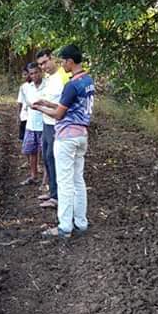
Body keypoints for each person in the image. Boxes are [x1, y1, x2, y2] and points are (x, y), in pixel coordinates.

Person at [32, 45, 95, 238]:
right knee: (78, 180)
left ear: (70, 61)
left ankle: (64, 227)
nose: (62, 65)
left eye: (63, 61)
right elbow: (69, 106)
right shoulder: (87, 80)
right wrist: (47, 103)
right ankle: (81, 222)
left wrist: (40, 109)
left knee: (65, 182)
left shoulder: (71, 84)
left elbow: (59, 115)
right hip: (81, 135)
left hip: (66, 137)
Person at [35, 48, 68, 208]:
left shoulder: (64, 76)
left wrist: (45, 105)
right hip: (46, 123)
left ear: (52, 58)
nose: (43, 67)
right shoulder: (49, 78)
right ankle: (52, 191)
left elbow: (66, 104)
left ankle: (57, 197)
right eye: (40, 64)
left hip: (58, 125)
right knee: (47, 158)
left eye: (45, 62)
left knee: (53, 158)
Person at [20, 62, 45, 185]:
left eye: (36, 72)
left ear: (40, 72)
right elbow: (25, 104)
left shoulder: (47, 86)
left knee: (46, 155)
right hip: (31, 124)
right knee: (31, 152)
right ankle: (33, 176)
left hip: (44, 124)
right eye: (31, 73)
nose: (34, 75)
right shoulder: (27, 88)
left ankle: (46, 181)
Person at [17, 65, 31, 143]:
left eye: (26, 74)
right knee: (23, 139)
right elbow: (20, 102)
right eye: (23, 74)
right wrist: (18, 115)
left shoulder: (36, 86)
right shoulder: (23, 87)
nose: (24, 76)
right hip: (24, 115)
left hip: (32, 116)